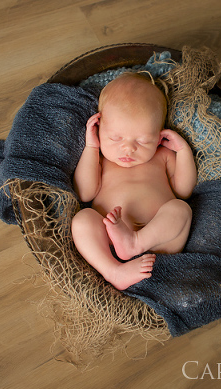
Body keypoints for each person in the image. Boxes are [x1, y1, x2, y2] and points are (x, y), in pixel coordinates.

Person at [71, 72, 197, 290]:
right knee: (82, 219)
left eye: (142, 140)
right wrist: (91, 148)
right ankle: (113, 271)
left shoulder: (163, 156)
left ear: (160, 138)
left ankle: (135, 243)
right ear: (99, 131)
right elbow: (84, 193)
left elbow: (184, 190)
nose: (128, 148)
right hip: (108, 239)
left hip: (160, 241)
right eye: (115, 138)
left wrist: (183, 151)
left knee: (181, 209)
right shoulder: (102, 159)